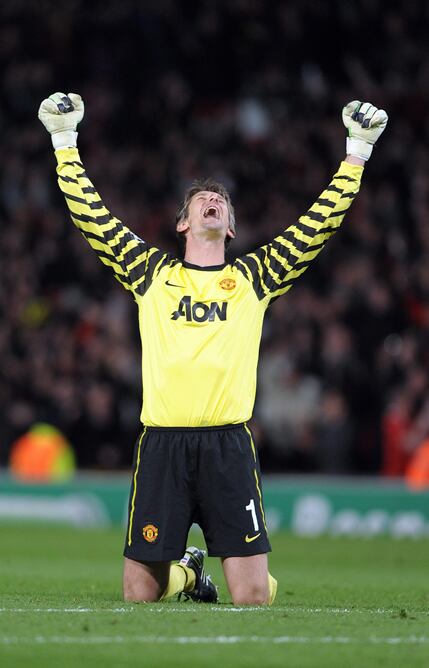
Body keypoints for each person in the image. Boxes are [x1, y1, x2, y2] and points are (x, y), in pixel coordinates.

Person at [38, 92, 387, 605]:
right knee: (139, 594)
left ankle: (225, 574)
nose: (212, 198)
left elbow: (317, 226)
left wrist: (357, 151)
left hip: (227, 447)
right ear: (184, 223)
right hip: (163, 445)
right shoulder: (153, 274)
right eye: (201, 197)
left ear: (231, 226)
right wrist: (64, 142)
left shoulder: (253, 277)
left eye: (220, 199)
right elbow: (94, 218)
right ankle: (189, 575)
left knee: (251, 599)